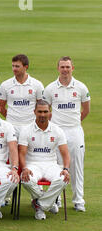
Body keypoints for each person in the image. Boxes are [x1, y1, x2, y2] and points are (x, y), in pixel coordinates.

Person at [43, 56, 90, 212]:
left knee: (76, 166)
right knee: (55, 166)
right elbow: (45, 111)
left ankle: (78, 200)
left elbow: (86, 110)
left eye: (67, 67)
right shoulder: (50, 88)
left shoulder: (81, 87)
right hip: (56, 131)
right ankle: (55, 200)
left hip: (75, 131)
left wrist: (74, 123)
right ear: (58, 68)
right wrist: (55, 125)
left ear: (72, 68)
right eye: (62, 67)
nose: (65, 70)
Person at [19, 100, 71, 220]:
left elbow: (65, 153)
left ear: (50, 113)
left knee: (64, 178)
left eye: (45, 112)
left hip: (51, 165)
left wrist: (66, 169)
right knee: (26, 180)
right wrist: (25, 168)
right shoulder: (26, 130)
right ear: (34, 112)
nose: (42, 115)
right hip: (33, 165)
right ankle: (48, 203)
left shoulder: (57, 130)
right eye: (40, 112)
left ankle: (40, 205)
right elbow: (21, 153)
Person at [0, 54, 44, 137]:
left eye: (17, 66)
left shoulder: (37, 85)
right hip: (11, 126)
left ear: (25, 67)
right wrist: (12, 118)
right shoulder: (5, 85)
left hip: (31, 125)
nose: (14, 69)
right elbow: (0, 106)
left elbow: (42, 106)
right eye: (13, 66)